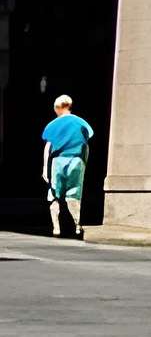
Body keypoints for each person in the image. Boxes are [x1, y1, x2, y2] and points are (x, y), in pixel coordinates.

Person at [40, 96, 92, 239]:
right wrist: (84, 163)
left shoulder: (54, 124)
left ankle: (56, 227)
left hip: (58, 161)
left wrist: (45, 168)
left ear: (58, 108)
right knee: (74, 194)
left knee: (54, 193)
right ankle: (76, 226)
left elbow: (48, 147)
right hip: (76, 160)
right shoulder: (80, 123)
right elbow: (85, 146)